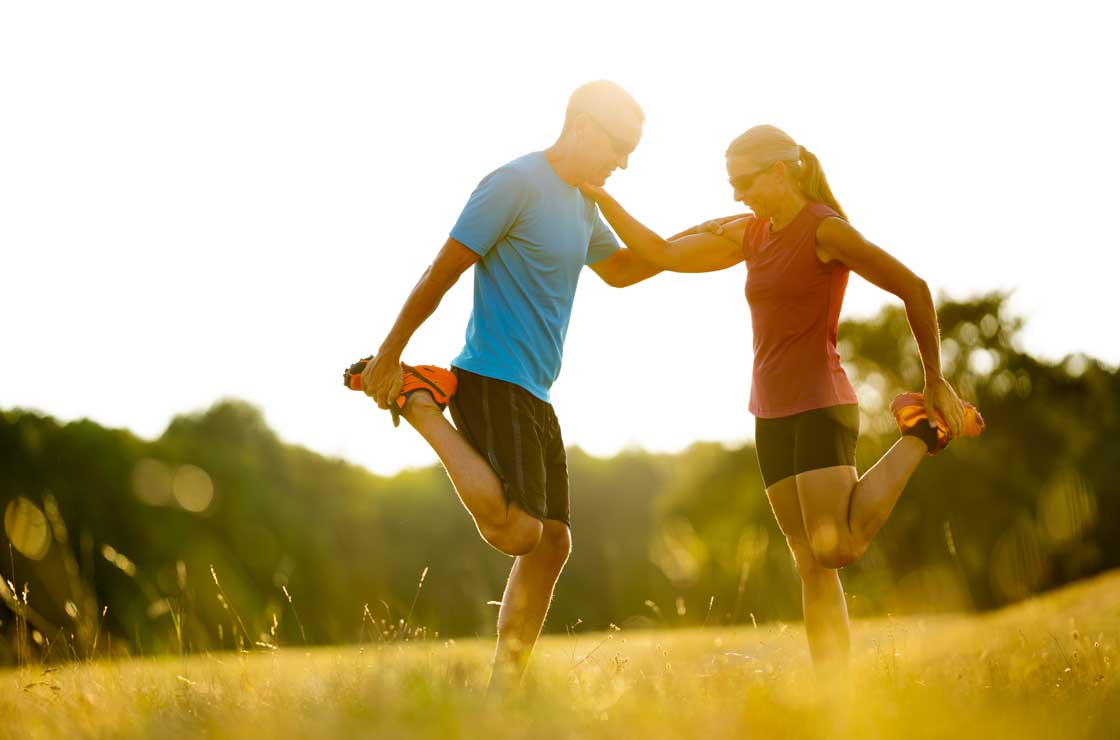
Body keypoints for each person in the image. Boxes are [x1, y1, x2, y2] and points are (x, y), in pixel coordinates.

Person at [580, 124, 983, 669]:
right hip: (768, 412)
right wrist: (600, 195)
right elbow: (659, 253)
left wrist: (935, 379)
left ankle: (920, 433)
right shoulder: (749, 234)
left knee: (836, 548)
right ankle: (832, 694)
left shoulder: (826, 230)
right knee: (810, 563)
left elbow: (913, 287)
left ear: (779, 171)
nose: (736, 195)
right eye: (731, 184)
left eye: (743, 181)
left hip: (821, 401)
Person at [355, 81, 661, 690]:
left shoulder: (583, 203)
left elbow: (623, 271)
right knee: (520, 530)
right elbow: (440, 273)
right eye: (620, 145)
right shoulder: (513, 184)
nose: (623, 162)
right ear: (582, 124)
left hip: (537, 389)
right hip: (492, 373)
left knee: (552, 543)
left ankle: (504, 691)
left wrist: (705, 245)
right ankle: (419, 401)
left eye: (633, 151)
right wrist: (389, 358)